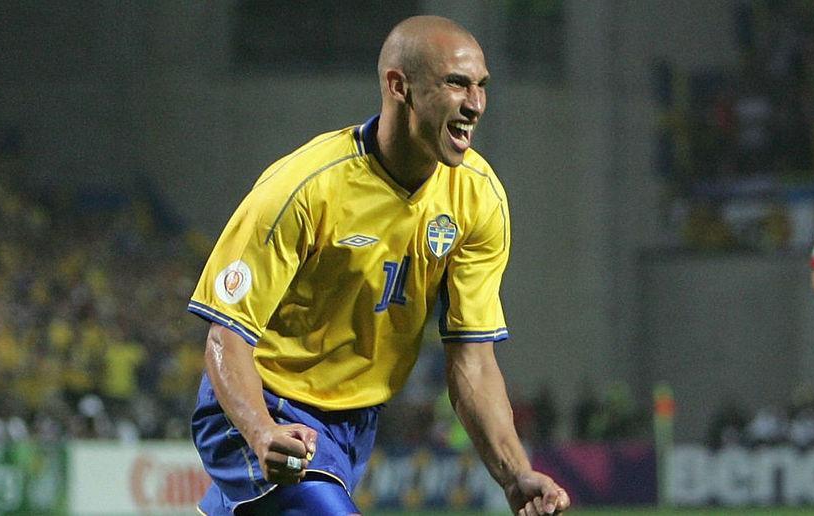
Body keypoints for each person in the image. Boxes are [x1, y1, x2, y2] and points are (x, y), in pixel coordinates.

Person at [187, 15, 571, 516]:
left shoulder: (478, 198)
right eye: (456, 83)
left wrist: (516, 473)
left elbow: (472, 361)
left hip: (355, 425)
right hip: (265, 407)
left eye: (481, 86)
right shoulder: (304, 188)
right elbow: (226, 336)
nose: (475, 104)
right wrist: (261, 432)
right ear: (399, 86)